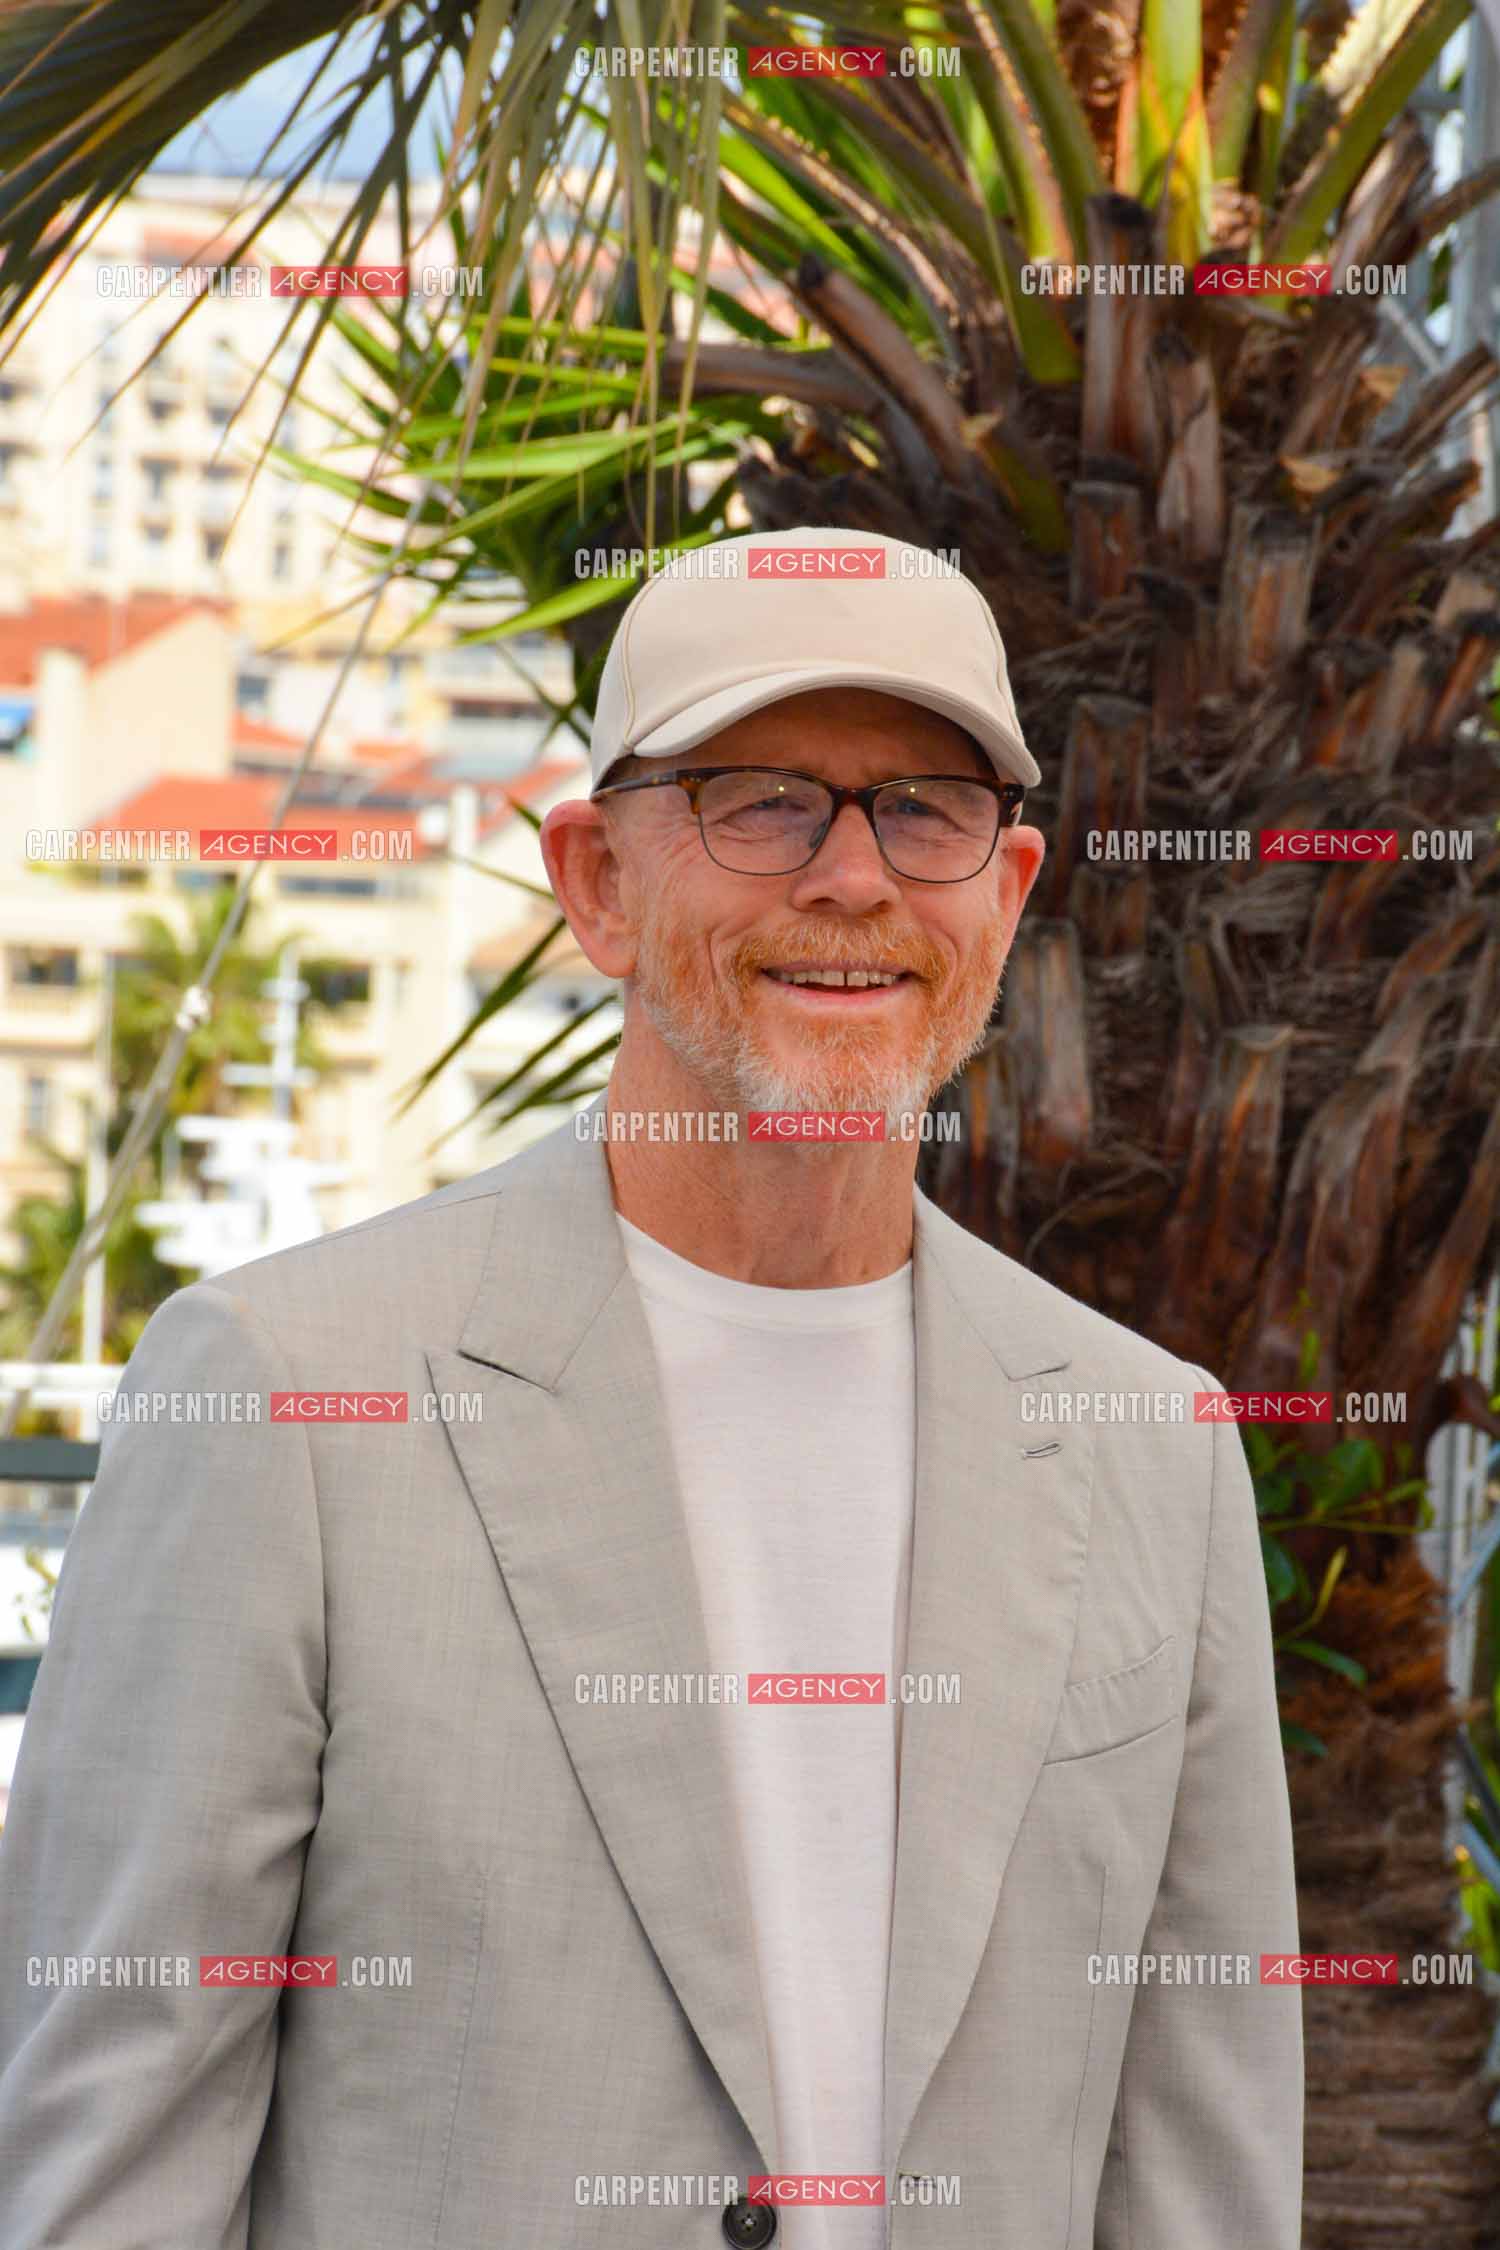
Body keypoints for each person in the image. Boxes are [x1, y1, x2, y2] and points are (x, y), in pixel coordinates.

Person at [0, 528, 1302, 2249]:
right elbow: (106, 2178)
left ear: (1008, 892)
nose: (853, 880)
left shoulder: (1160, 1450)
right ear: (597, 879)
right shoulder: (281, 1401)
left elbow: (1200, 2180)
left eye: (926, 808)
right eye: (764, 800)